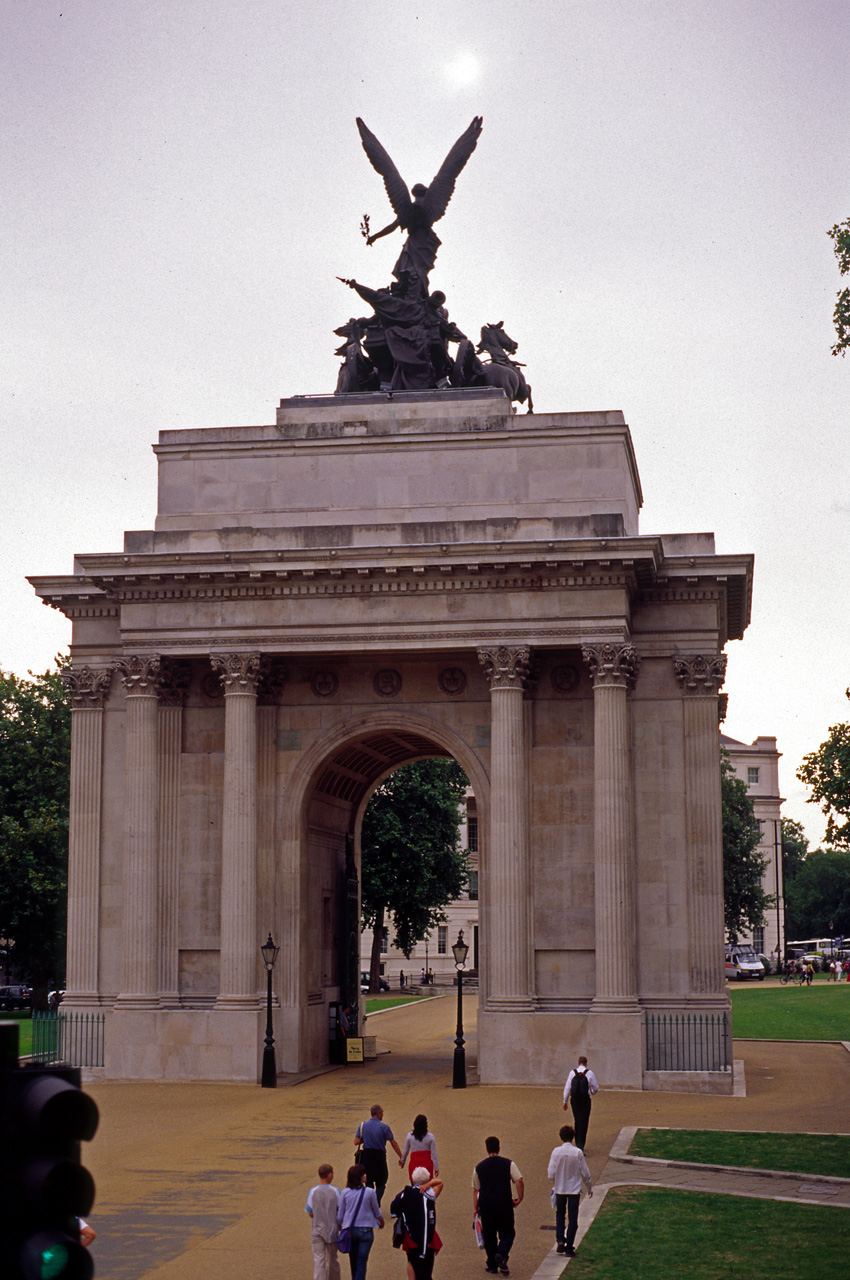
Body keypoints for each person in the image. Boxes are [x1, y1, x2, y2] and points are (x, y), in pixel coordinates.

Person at [472, 1136, 523, 1277]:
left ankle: (492, 1265)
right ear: (499, 1148)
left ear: (486, 1149)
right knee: (508, 1233)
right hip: (504, 1204)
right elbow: (519, 1180)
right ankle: (501, 1254)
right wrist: (520, 1197)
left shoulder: (479, 1168)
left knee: (489, 1236)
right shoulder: (508, 1164)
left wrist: (476, 1208)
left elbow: (476, 1190)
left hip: (486, 1206)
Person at [390, 1166, 443, 1280]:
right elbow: (440, 1183)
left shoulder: (404, 1194)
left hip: (410, 1237)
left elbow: (394, 1209)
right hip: (427, 1236)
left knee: (411, 1261)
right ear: (427, 1180)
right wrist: (429, 1185)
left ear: (413, 1180)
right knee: (426, 1267)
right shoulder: (430, 1194)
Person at [547, 1124, 593, 1257]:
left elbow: (550, 1174)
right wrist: (589, 1187)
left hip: (560, 1188)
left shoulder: (556, 1152)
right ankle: (569, 1247)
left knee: (560, 1214)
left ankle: (560, 1239)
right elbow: (585, 1173)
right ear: (573, 1137)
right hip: (574, 1190)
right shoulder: (577, 1152)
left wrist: (557, 1179)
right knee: (573, 1219)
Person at [337, 1164, 384, 1280]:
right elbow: (376, 1211)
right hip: (366, 1230)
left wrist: (340, 1226)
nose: (366, 1176)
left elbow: (340, 1215)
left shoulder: (345, 1192)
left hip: (350, 1230)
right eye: (364, 1174)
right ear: (359, 1177)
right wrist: (381, 1222)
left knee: (353, 1260)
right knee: (362, 1262)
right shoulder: (369, 1192)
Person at [354, 1104, 403, 1204]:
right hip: (379, 1157)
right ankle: (376, 1202)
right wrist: (401, 1157)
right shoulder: (384, 1127)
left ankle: (370, 1203)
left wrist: (367, 1138)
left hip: (366, 1157)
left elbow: (356, 1141)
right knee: (381, 1182)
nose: (383, 1115)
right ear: (378, 1113)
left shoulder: (363, 1125)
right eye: (382, 1113)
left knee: (369, 1181)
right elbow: (393, 1143)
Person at [306, 1163, 340, 1280]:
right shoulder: (335, 1191)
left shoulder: (313, 1191)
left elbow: (310, 1211)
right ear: (329, 1175)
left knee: (319, 1259)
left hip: (317, 1229)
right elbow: (339, 1210)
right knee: (333, 1259)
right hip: (332, 1228)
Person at [563, 1055, 599, 1150]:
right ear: (586, 1064)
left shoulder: (572, 1073)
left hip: (574, 1100)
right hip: (585, 1100)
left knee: (577, 1120)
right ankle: (581, 1145)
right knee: (584, 1121)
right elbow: (596, 1088)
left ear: (578, 1063)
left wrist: (565, 1101)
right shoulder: (590, 1073)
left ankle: (576, 1141)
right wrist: (592, 1092)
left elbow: (567, 1088)